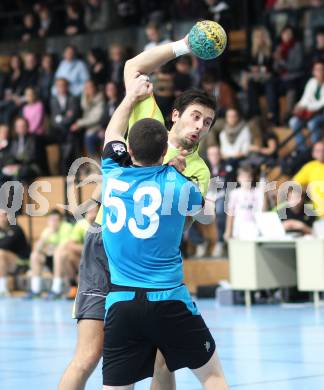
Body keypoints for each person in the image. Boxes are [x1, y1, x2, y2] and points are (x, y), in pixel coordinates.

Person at [59, 35, 218, 390]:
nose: (199, 127)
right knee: (89, 355)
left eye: (207, 123)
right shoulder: (149, 118)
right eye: (195, 117)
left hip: (149, 264)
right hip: (105, 247)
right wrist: (185, 45)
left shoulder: (199, 171)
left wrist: (170, 179)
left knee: (165, 359)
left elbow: (184, 224)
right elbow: (134, 66)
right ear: (175, 115)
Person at [100, 72, 227, 390]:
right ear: (165, 153)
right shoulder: (180, 184)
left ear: (129, 150)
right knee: (212, 377)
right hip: (168, 298)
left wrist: (130, 97)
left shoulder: (112, 173)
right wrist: (174, 175)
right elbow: (205, 213)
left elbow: (112, 132)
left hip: (121, 300)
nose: (200, 126)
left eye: (205, 121)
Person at [25, 209, 73, 299]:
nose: (53, 222)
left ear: (61, 220)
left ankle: (56, 290)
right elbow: (37, 248)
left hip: (66, 262)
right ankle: (36, 290)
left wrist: (49, 249)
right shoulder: (47, 230)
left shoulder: (67, 227)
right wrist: (46, 237)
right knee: (35, 255)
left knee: (59, 254)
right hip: (51, 258)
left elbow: (64, 246)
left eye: (55, 220)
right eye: (51, 220)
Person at [288, 60, 324, 150]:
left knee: (312, 123)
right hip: (309, 112)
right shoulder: (311, 82)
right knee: (293, 122)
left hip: (321, 113)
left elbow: (321, 104)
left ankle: (317, 149)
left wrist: (306, 108)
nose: (317, 72)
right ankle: (303, 149)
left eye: (320, 69)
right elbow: (305, 99)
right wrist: (299, 106)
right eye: (316, 70)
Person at [224, 165, 265, 240]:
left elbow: (263, 210)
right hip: (239, 228)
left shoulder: (258, 192)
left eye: (248, 177)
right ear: (238, 179)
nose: (246, 179)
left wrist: (264, 193)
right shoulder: (234, 193)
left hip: (254, 228)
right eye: (243, 177)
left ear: (251, 178)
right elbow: (230, 213)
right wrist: (228, 231)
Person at [0, 209, 30, 296]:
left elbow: (5, 245)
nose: (2, 217)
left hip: (22, 264)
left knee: (1, 253)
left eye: (4, 215)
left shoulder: (16, 229)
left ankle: (2, 289)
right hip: (7, 264)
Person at [293, 140, 324, 217]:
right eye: (317, 150)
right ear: (313, 153)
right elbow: (294, 183)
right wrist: (307, 188)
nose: (321, 153)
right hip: (317, 213)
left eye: (322, 150)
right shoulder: (310, 167)